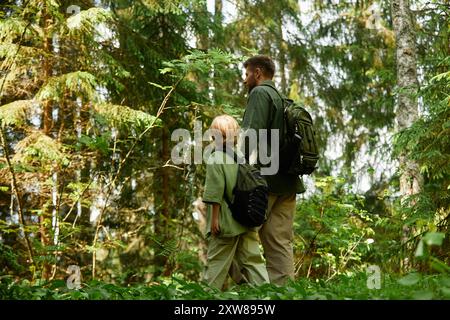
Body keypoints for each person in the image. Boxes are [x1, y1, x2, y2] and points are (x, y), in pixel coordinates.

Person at [240, 55, 305, 286]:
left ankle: (248, 289)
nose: (245, 80)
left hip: (262, 182)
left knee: (240, 233)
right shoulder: (282, 98)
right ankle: (284, 292)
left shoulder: (260, 94)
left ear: (258, 73)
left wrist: (238, 172)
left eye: (246, 74)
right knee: (280, 242)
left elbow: (250, 135)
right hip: (287, 182)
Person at [202, 114, 269, 290]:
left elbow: (215, 193)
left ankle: (207, 296)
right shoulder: (239, 155)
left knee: (216, 262)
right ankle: (267, 294)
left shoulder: (215, 158)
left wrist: (214, 220)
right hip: (245, 218)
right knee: (253, 260)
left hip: (226, 222)